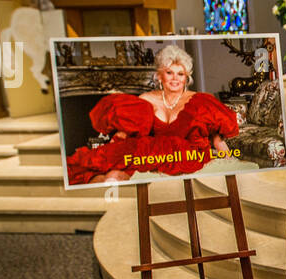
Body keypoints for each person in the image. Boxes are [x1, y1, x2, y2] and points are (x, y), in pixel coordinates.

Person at [66, 44, 239, 185]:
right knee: (110, 174)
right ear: (159, 76)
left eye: (180, 74)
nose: (175, 79)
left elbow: (217, 140)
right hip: (149, 156)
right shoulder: (145, 100)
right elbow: (128, 133)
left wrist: (230, 163)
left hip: (189, 156)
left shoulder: (201, 101)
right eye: (169, 72)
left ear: (187, 78)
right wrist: (111, 151)